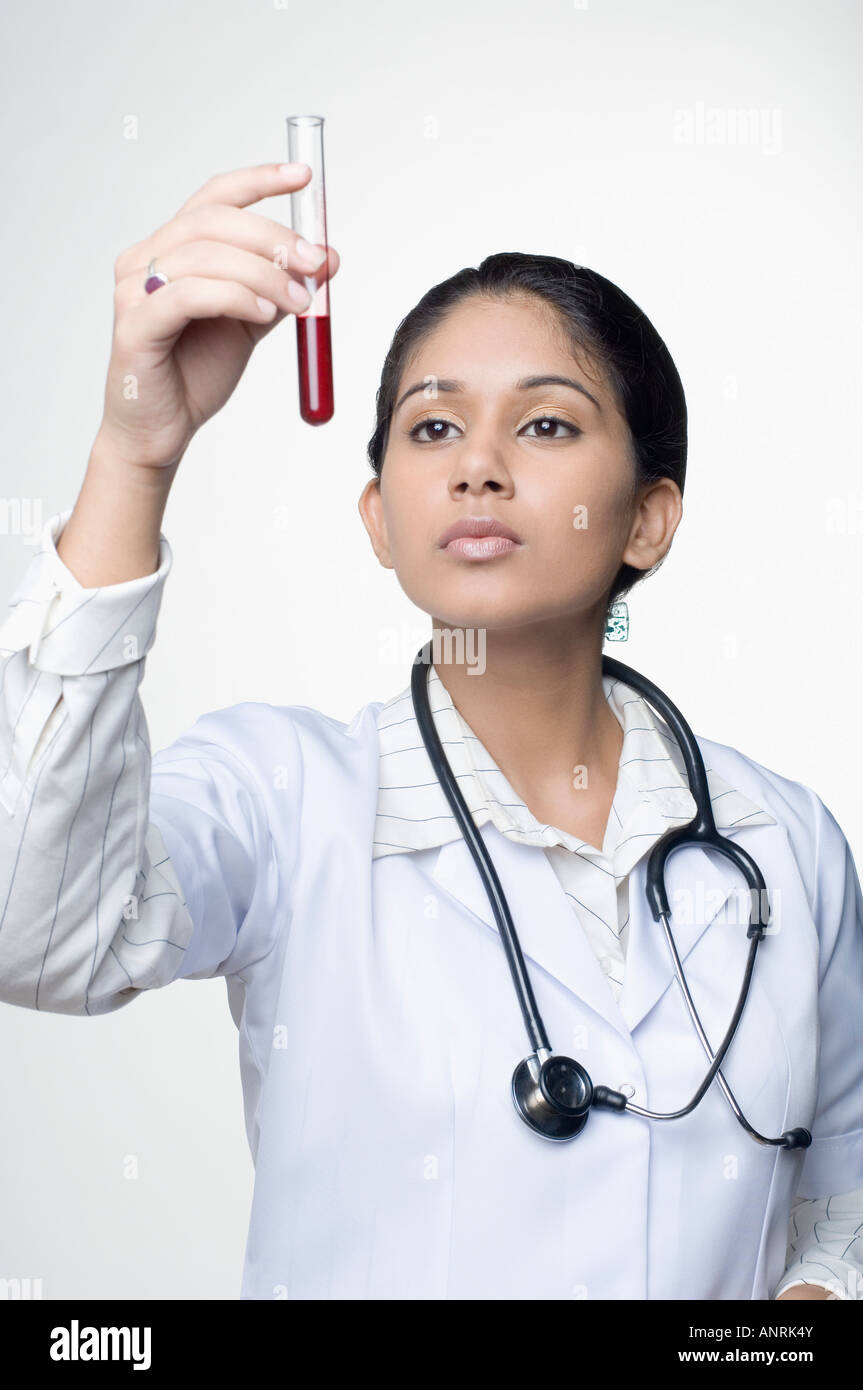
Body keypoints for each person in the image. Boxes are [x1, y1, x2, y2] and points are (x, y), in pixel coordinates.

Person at [0, 162, 861, 1301]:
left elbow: (838, 1197)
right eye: (434, 425)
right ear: (379, 519)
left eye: (544, 422)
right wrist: (135, 451)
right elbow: (39, 932)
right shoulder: (281, 791)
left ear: (647, 518)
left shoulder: (779, 842)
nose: (476, 465)